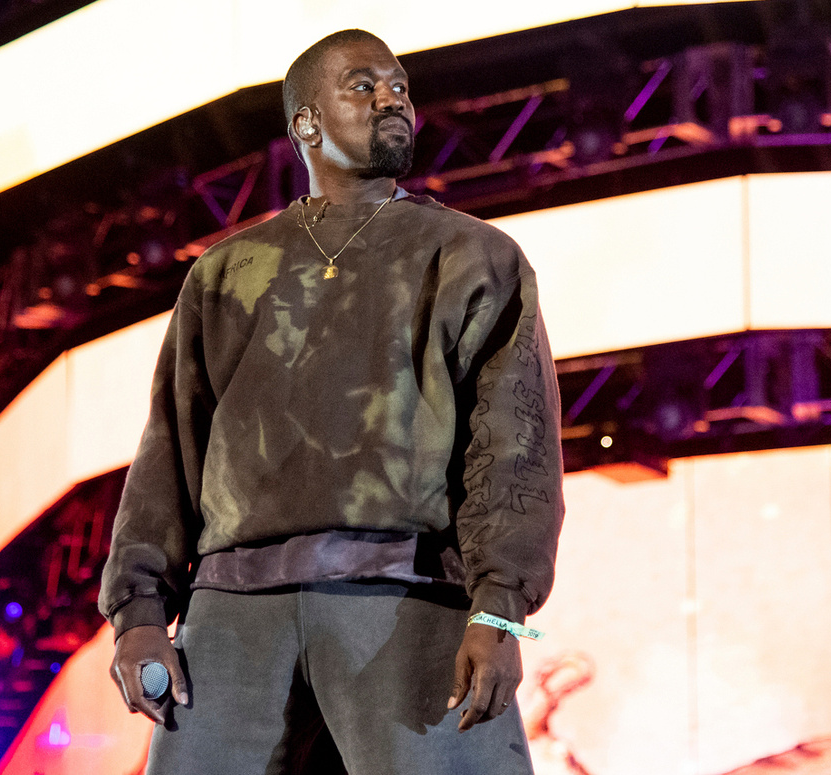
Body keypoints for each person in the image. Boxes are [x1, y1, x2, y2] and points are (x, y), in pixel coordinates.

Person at [98, 29, 564, 775]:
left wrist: (500, 606)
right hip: (233, 611)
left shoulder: (475, 256)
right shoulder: (226, 271)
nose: (392, 98)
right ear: (306, 123)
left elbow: (515, 445)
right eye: (364, 85)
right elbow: (170, 447)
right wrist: (138, 613)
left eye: (400, 86)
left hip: (406, 595)